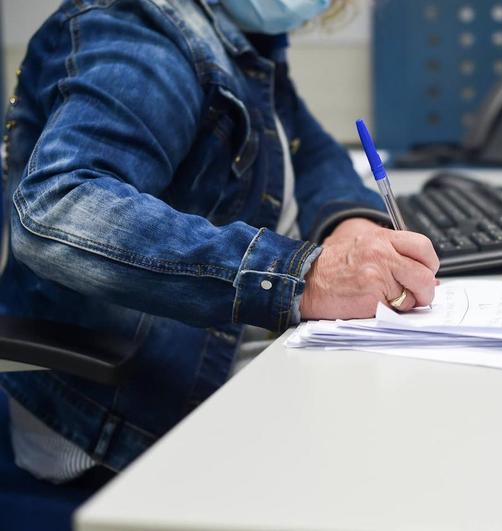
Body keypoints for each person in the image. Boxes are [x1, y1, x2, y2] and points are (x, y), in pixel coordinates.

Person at [0, 0, 439, 486]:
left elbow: (311, 155)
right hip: (125, 414)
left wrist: (354, 224)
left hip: (223, 359)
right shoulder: (144, 35)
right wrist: (302, 276)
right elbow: (56, 206)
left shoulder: (242, 44)